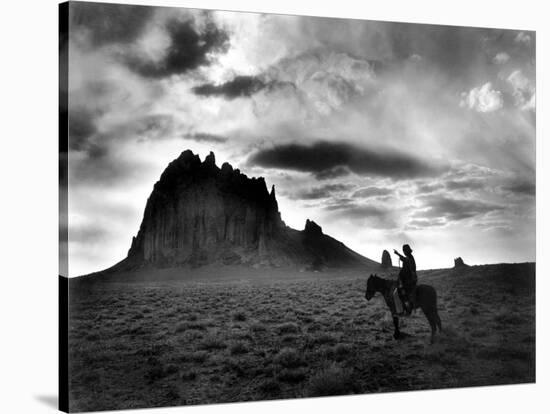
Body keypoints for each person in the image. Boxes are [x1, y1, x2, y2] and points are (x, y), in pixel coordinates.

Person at [393, 244, 418, 315]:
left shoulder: (409, 258)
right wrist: (398, 254)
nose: (404, 252)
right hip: (410, 280)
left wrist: (398, 254)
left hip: (409, 281)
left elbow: (405, 260)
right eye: (403, 251)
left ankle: (405, 310)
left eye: (404, 250)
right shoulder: (409, 257)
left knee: (399, 292)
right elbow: (404, 259)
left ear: (406, 251)